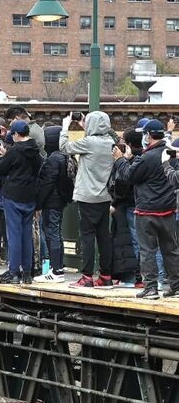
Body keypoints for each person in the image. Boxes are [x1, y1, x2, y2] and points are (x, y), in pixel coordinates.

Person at [113, 120, 179, 299]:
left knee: (147, 250)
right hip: (168, 209)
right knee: (170, 250)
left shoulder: (147, 157)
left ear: (148, 135)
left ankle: (150, 288)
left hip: (147, 211)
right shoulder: (170, 153)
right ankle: (176, 286)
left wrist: (120, 160)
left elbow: (128, 176)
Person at [61, 110, 116, 288]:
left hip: (87, 197)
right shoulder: (110, 142)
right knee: (104, 236)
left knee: (87, 236)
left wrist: (65, 127)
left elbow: (64, 148)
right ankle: (106, 275)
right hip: (105, 196)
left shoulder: (89, 143)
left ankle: (86, 277)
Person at [0, 120, 43, 285]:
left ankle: (14, 272)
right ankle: (27, 272)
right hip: (30, 197)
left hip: (13, 196)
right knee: (26, 235)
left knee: (14, 235)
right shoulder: (35, 151)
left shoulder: (14, 151)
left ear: (15, 134)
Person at [34, 126, 70, 282]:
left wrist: (38, 204)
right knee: (57, 233)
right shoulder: (63, 156)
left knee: (51, 233)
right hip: (59, 200)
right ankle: (58, 267)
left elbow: (47, 183)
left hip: (51, 202)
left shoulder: (53, 159)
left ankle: (56, 270)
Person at [108, 130, 143, 288]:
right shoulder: (142, 157)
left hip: (130, 204)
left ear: (129, 145)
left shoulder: (134, 161)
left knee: (135, 241)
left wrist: (121, 161)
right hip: (134, 204)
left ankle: (138, 276)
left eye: (123, 141)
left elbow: (123, 183)